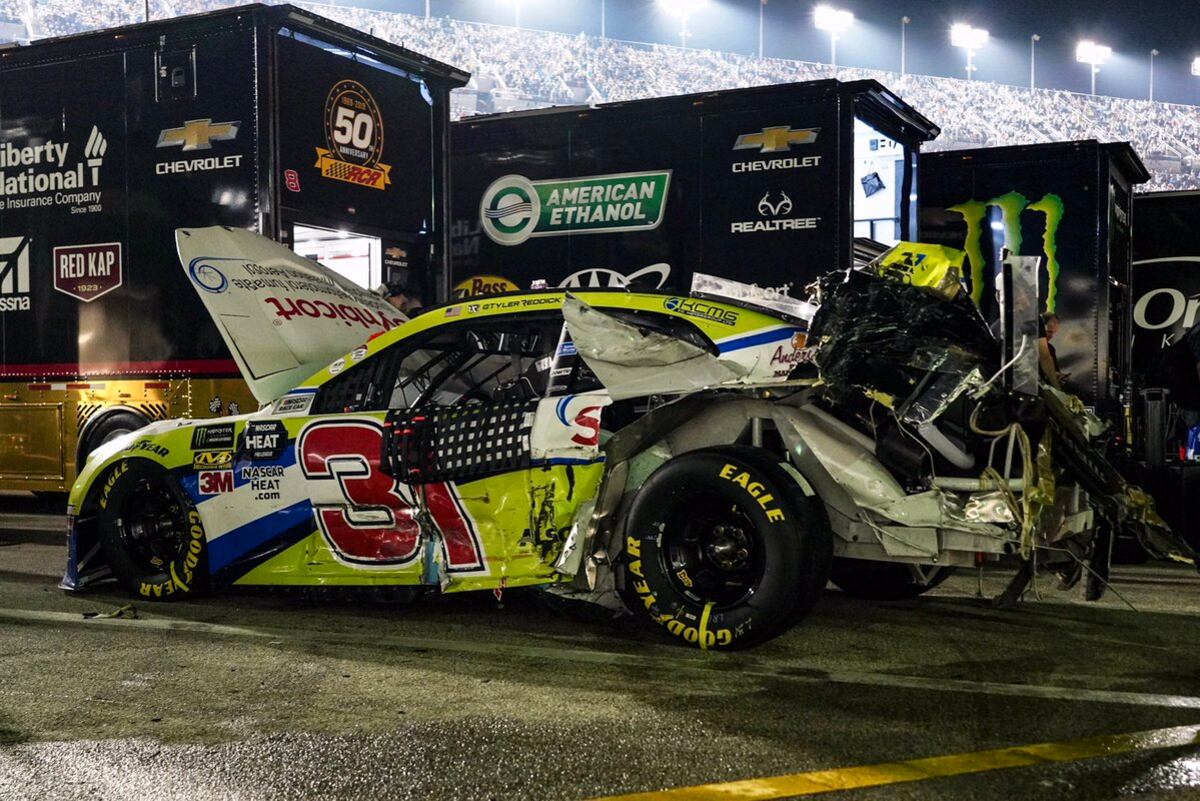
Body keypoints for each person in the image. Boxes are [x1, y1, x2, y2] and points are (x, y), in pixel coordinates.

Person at [1039, 312, 1065, 389]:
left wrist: (1057, 376)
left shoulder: (1051, 349)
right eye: (1049, 331)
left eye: (1054, 332)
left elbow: (1054, 370)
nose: (1052, 336)